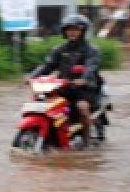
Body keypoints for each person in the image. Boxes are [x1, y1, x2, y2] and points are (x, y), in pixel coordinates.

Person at [29, 14, 102, 145]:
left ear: (83, 31)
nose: (72, 32)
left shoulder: (91, 50)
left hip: (85, 90)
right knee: (46, 104)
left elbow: (91, 67)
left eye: (76, 29)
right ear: (64, 31)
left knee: (82, 108)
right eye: (69, 29)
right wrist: (32, 76)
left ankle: (86, 142)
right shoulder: (59, 50)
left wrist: (84, 79)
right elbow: (47, 65)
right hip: (64, 88)